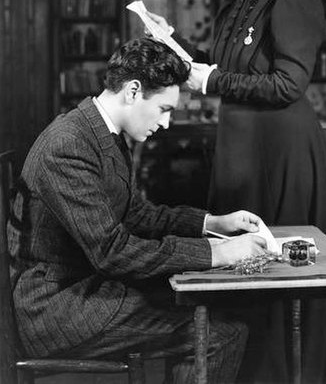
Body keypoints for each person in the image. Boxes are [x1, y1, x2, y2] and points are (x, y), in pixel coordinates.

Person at [147, 0, 326, 383]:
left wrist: (214, 80)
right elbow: (218, 67)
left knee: (278, 275)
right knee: (243, 265)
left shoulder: (293, 0)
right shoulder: (237, 2)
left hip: (281, 153)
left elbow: (286, 86)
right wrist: (170, 40)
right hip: (242, 150)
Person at [8, 38, 268, 383]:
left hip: (85, 289)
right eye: (164, 109)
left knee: (218, 316)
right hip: (57, 310)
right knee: (223, 332)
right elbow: (111, 252)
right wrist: (215, 254)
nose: (166, 124)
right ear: (133, 91)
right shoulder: (68, 145)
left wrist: (212, 223)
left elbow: (137, 215)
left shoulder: (101, 132)